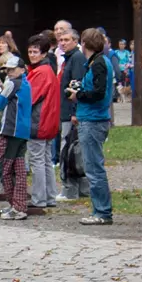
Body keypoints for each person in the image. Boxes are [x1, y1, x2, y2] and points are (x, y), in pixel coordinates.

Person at [72, 28, 114, 225]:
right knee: (93, 166)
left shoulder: (98, 64)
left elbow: (98, 92)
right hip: (90, 118)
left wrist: (78, 94)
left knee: (94, 168)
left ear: (84, 44)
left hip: (93, 120)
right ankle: (100, 209)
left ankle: (102, 212)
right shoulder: (95, 62)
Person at [0, 55, 33, 220]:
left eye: (13, 69)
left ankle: (15, 206)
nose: (10, 73)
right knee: (18, 169)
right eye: (8, 69)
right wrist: (0, 86)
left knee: (4, 168)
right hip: (22, 131)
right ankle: (19, 205)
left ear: (22, 69)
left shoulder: (13, 83)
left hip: (11, 131)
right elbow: (11, 97)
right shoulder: (24, 83)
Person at [23, 33, 61, 213]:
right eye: (30, 51)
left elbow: (28, 98)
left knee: (37, 161)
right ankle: (49, 196)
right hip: (49, 122)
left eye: (36, 52)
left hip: (38, 123)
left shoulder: (40, 72)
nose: (32, 55)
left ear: (44, 53)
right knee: (45, 160)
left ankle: (39, 199)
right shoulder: (48, 70)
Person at [57, 29, 89, 200]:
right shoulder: (69, 58)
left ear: (75, 41)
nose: (63, 42)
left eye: (67, 39)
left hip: (71, 112)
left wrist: (75, 112)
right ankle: (83, 189)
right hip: (66, 111)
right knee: (77, 150)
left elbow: (76, 86)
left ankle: (70, 189)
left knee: (68, 151)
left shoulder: (76, 59)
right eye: (61, 40)